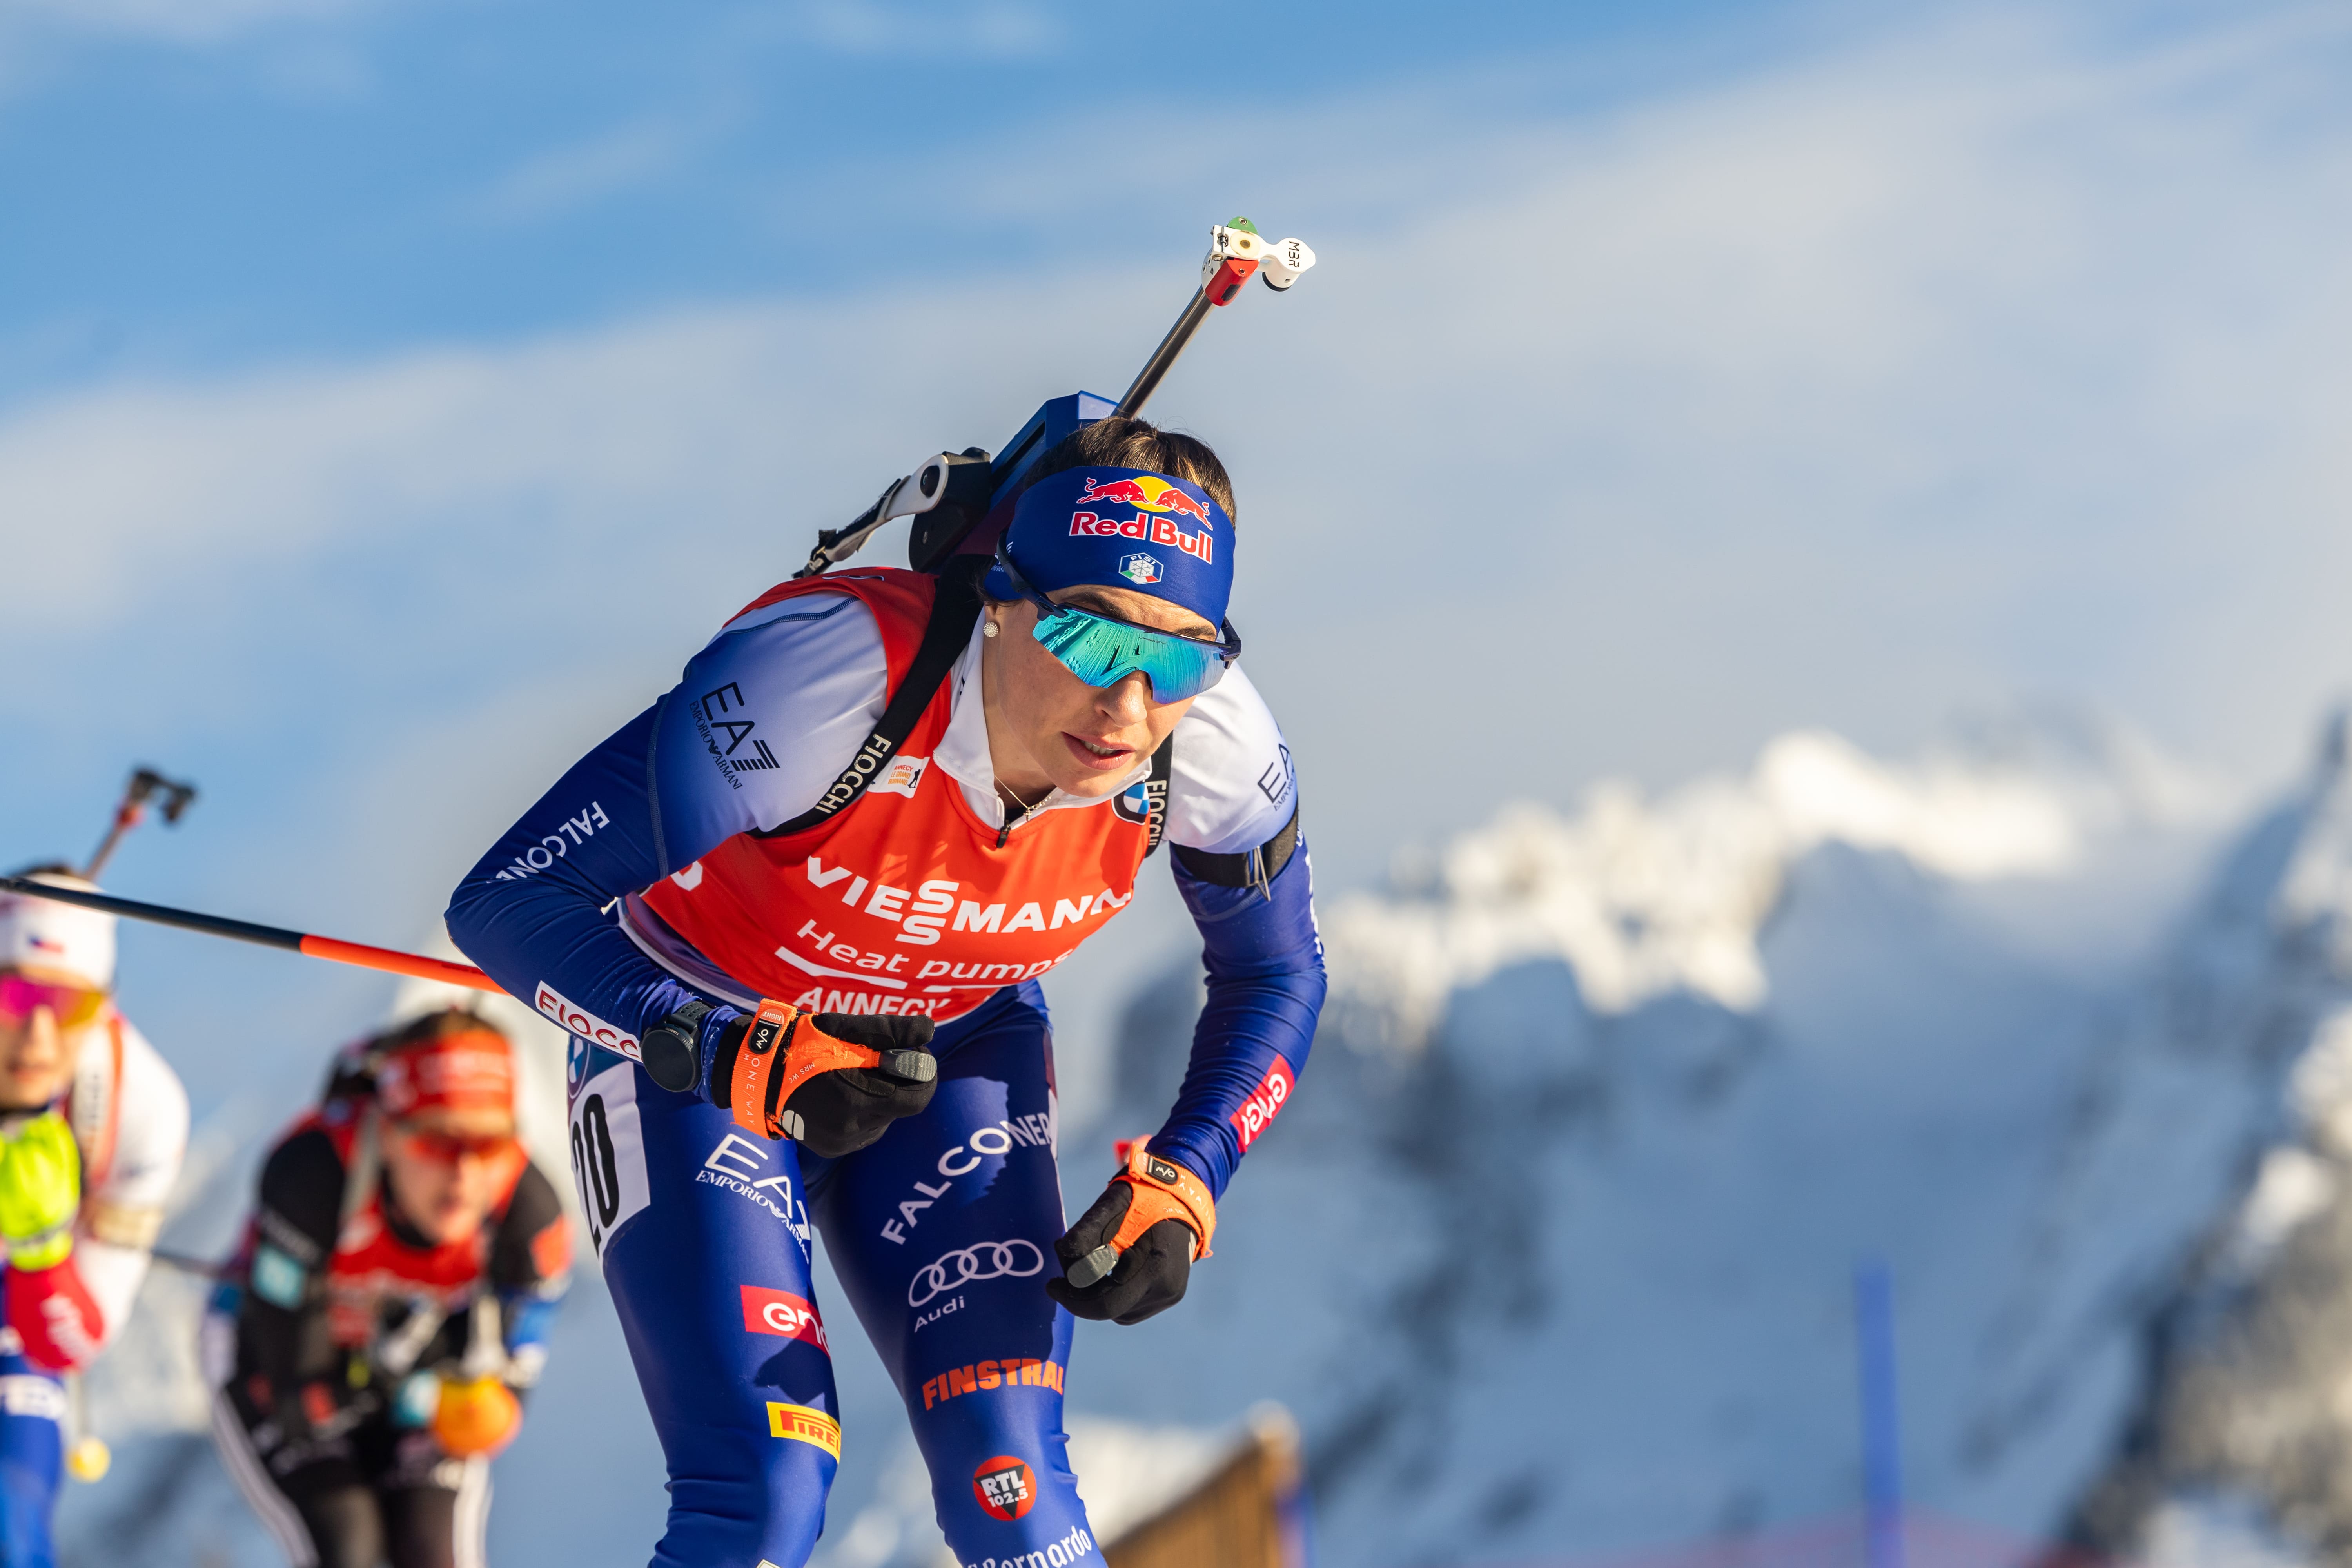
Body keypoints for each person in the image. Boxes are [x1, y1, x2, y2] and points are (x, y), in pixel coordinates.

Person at [445, 414, 1325, 1567]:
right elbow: (511, 903)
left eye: (1178, 659)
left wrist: (1188, 1175)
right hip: (708, 1039)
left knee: (1012, 1479)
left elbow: (1277, 969)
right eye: (1093, 640)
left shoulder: (1211, 742)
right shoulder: (831, 682)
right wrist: (723, 1050)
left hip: (958, 1048)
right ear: (1005, 598)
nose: (1129, 708)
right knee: (764, 1485)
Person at [209, 1007, 571, 1568]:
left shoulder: (530, 1217)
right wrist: (380, 1371)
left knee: (434, 1555)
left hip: (413, 1391)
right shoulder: (314, 1174)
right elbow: (301, 1396)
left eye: (489, 1147)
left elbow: (505, 1399)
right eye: (439, 1143)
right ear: (391, 1132)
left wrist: (463, 1384)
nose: (464, 1175)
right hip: (263, 1350)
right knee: (347, 1546)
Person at [0, 867, 190, 1566]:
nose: (40, 1034)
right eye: (14, 993)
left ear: (106, 1008)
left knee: (8, 1524)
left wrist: (42, 1246)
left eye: (71, 1005)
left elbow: (71, 1342)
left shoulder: (143, 1105)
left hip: (21, 1311)